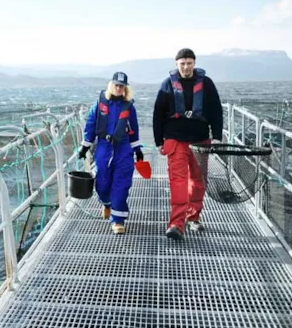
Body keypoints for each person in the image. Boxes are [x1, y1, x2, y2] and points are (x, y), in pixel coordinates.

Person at [153, 48, 223, 240]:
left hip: (200, 140)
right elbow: (158, 114)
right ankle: (176, 224)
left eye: (189, 63)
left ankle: (194, 216)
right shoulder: (167, 85)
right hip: (175, 140)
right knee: (178, 182)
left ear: (194, 63)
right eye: (182, 63)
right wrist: (159, 140)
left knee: (198, 181)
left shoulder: (206, 84)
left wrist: (217, 136)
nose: (186, 67)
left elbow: (216, 110)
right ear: (176, 64)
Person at [78, 71, 143, 234]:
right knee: (102, 182)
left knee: (122, 184)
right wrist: (85, 146)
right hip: (104, 148)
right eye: (117, 85)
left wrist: (138, 150)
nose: (119, 88)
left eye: (122, 86)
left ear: (125, 88)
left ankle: (117, 221)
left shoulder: (129, 108)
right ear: (111, 85)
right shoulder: (99, 105)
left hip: (123, 149)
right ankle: (106, 203)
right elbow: (91, 125)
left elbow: (134, 130)